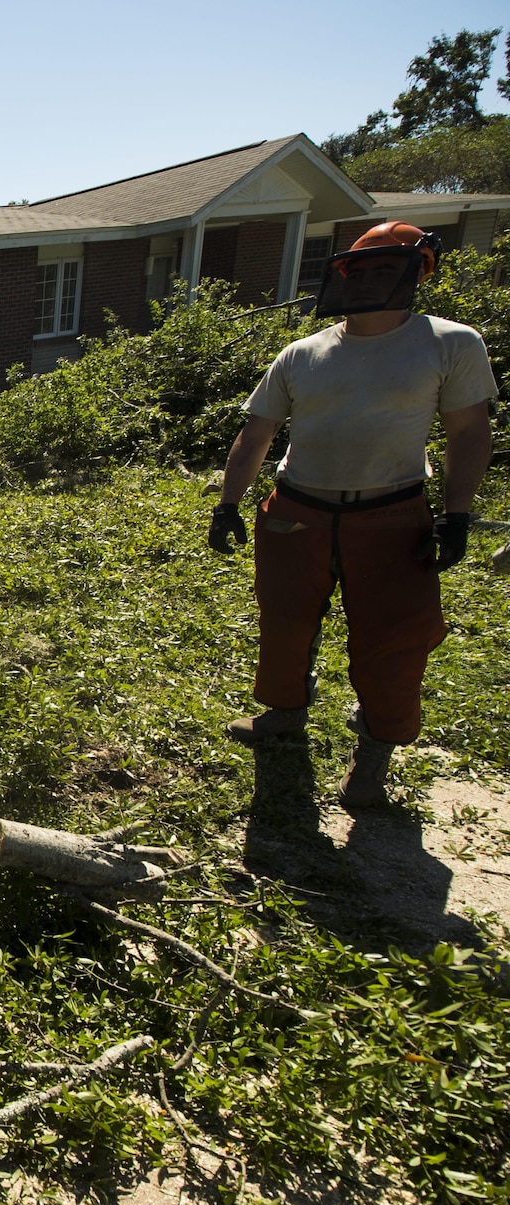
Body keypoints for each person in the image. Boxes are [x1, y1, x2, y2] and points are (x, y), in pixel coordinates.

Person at [210, 222, 498, 806]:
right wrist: (228, 504)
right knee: (286, 625)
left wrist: (456, 516)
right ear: (342, 275)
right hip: (297, 510)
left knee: (394, 641)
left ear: (416, 273)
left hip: (392, 514)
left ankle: (373, 757)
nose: (368, 281)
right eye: (358, 270)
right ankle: (283, 719)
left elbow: (470, 434)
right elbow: (256, 433)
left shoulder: (449, 343)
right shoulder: (303, 353)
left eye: (384, 270)